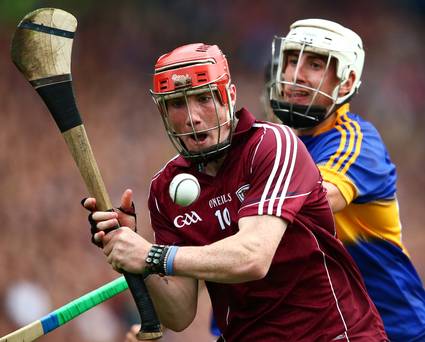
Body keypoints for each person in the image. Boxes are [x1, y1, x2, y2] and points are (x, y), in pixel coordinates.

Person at [83, 43, 387, 341]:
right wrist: (136, 257)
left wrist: (153, 254)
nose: (191, 117)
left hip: (333, 334)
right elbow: (178, 314)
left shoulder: (272, 146)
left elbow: (252, 258)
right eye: (177, 103)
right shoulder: (165, 188)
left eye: (203, 98)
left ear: (229, 96)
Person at [268, 18, 425, 342]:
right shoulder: (275, 143)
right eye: (291, 61)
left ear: (347, 80)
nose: (296, 75)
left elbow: (314, 201)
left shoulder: (356, 142)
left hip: (396, 330)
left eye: (314, 64)